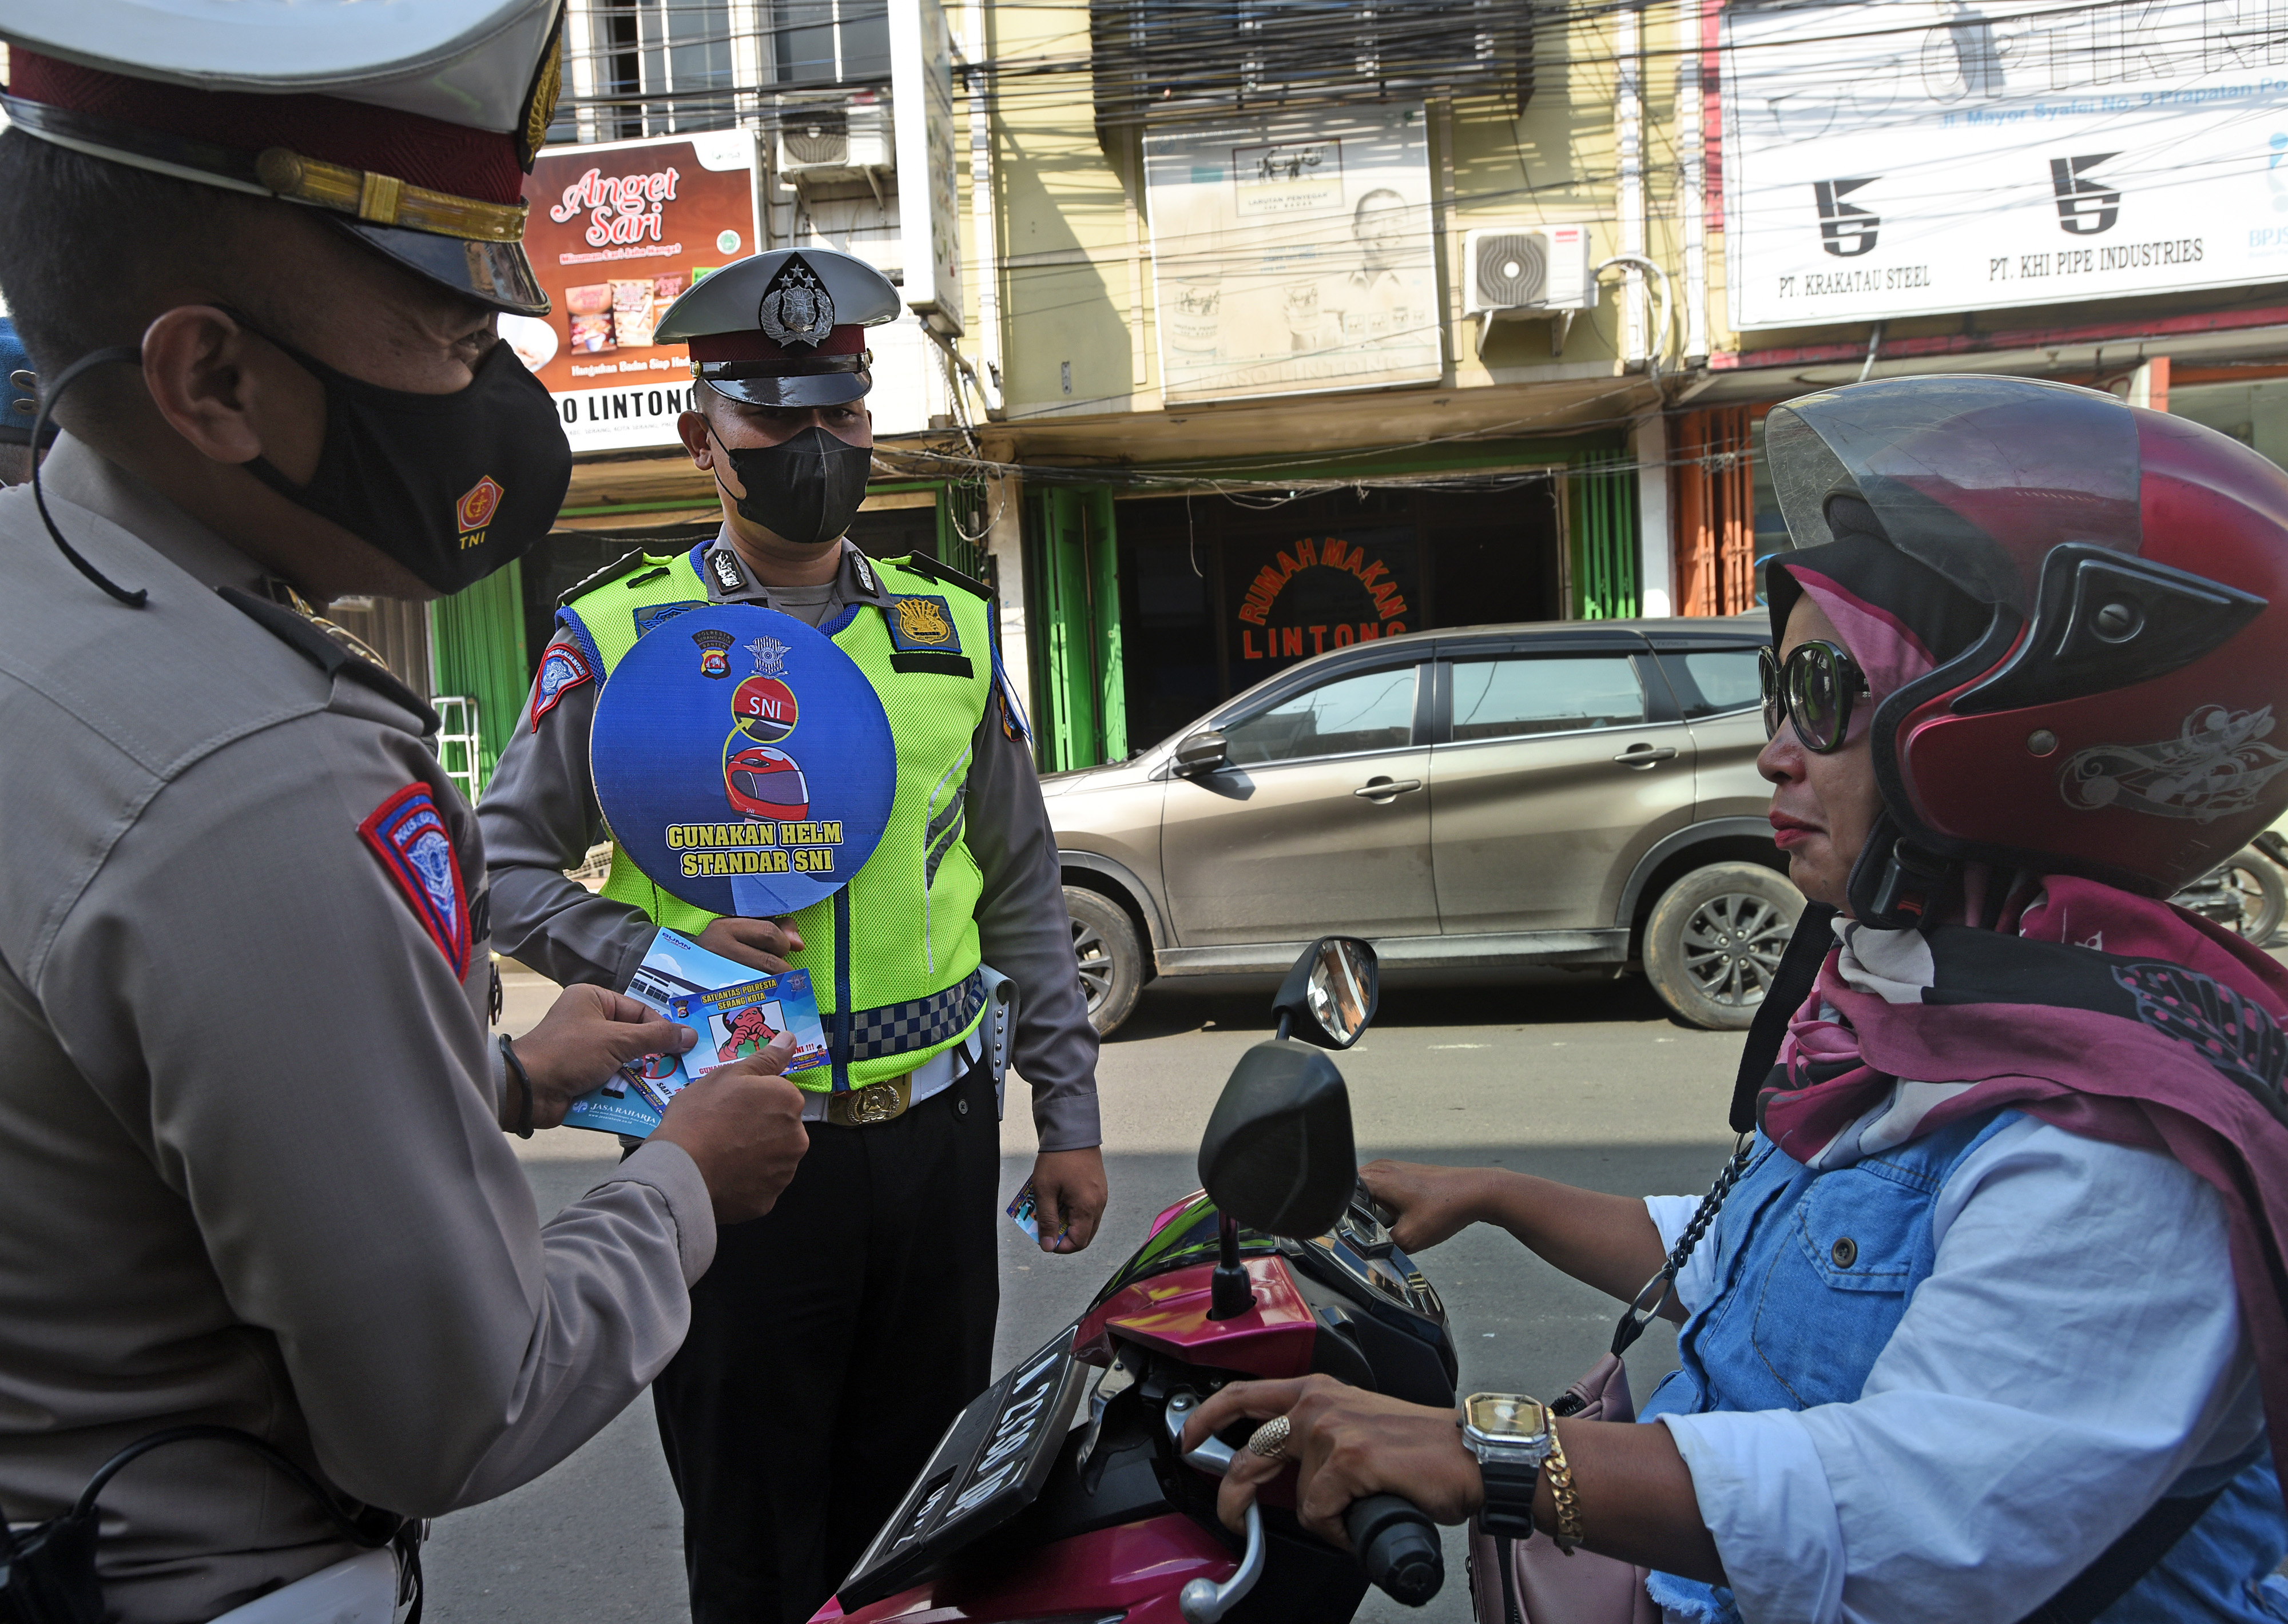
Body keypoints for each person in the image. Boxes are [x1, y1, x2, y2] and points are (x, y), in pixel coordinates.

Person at [1183, 375, 2288, 1622]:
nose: (1771, 747)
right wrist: (1494, 1194)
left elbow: (1922, 1510)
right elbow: (1786, 1266)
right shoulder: (1936, 1004)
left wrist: (1486, 1450)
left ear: (1995, 733)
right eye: (1777, 693)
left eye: (1820, 696)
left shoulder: (2116, 1136)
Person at [0, 8, 813, 1621]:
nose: (491, 395)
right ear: (211, 378)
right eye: (445, 343)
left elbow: (126, 1126)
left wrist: (502, 1080)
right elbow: (456, 1401)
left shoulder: (47, 603)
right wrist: (680, 1188)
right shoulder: (261, 777)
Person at [478, 244, 1108, 1623]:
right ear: (704, 434)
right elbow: (502, 868)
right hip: (730, 1145)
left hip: (936, 1144)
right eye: (777, 419)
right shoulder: (623, 637)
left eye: (843, 411)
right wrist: (658, 949)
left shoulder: (946, 636)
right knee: (756, 1532)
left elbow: (1018, 889)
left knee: (919, 1524)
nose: (816, 448)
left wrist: (1068, 1115)